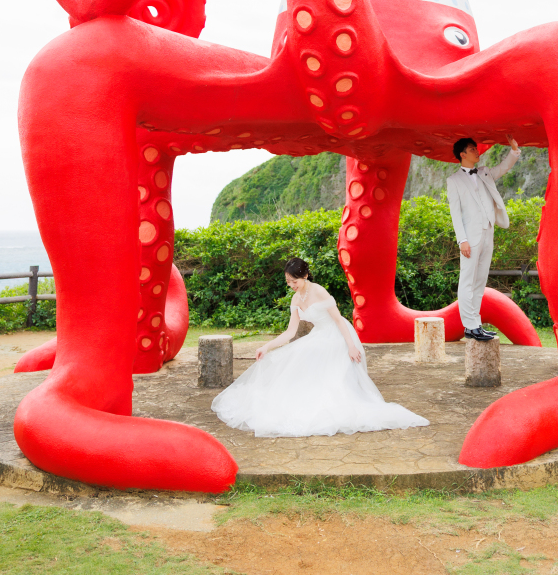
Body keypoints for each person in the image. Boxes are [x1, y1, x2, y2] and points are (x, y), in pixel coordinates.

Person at [211, 257, 429, 437]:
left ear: (304, 276)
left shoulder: (320, 292)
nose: (291, 285)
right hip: (319, 336)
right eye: (288, 282)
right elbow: (290, 333)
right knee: (297, 363)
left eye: (293, 281)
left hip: (338, 336)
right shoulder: (296, 299)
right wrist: (267, 346)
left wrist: (351, 347)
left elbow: (338, 321)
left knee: (330, 380)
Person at [447, 137, 521, 341]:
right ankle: (469, 326)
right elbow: (455, 213)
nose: (477, 152)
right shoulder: (453, 181)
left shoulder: (485, 172)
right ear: (462, 154)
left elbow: (504, 167)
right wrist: (462, 240)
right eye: (472, 149)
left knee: (480, 281)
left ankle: (476, 325)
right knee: (467, 281)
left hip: (488, 232)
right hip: (470, 237)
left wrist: (514, 150)